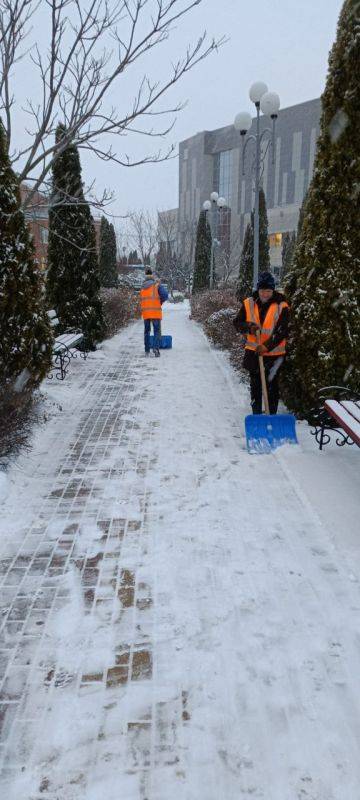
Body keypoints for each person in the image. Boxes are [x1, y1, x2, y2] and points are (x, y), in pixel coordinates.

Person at [233, 271, 290, 414]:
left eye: (269, 291)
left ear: (273, 290)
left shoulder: (281, 305)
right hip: (254, 353)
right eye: (263, 290)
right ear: (258, 289)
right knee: (256, 386)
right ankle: (257, 415)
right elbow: (237, 322)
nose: (265, 294)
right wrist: (249, 328)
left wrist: (266, 346)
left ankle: (271, 414)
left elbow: (282, 330)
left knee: (272, 386)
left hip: (274, 355)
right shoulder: (249, 303)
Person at [140, 268, 168, 357]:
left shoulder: (142, 287)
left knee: (147, 331)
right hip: (155, 312)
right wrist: (159, 302)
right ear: (152, 275)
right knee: (156, 331)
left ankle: (147, 350)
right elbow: (165, 295)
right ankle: (155, 349)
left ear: (145, 275)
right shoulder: (157, 285)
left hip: (146, 313)